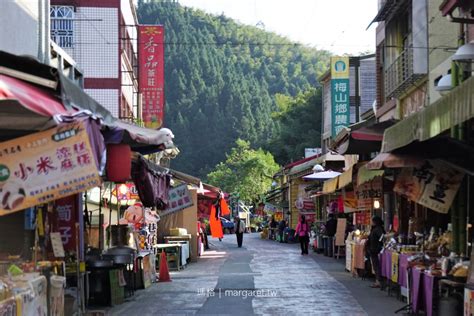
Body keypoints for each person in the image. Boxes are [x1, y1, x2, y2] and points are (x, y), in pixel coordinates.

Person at [368, 215, 385, 288]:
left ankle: (378, 281)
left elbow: (382, 237)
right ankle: (377, 281)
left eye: (371, 221)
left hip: (375, 249)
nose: (370, 222)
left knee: (376, 265)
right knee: (375, 265)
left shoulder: (378, 229)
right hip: (373, 249)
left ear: (375, 222)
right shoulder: (376, 228)